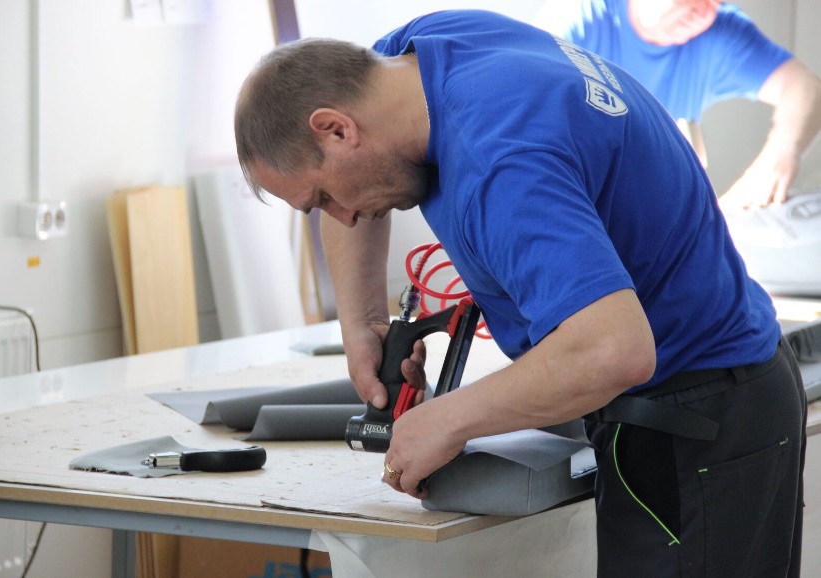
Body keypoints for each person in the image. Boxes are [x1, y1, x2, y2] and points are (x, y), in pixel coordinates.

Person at [234, 9, 806, 576]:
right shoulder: (418, 53)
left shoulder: (502, 167)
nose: (342, 218)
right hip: (720, 388)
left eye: (323, 198)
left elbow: (613, 351)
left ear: (338, 129)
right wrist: (361, 321)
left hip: (697, 417)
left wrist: (446, 420)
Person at [535, 0, 821, 209]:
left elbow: (805, 88)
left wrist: (781, 154)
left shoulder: (720, 31)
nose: (704, 12)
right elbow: (532, 124)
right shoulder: (578, 21)